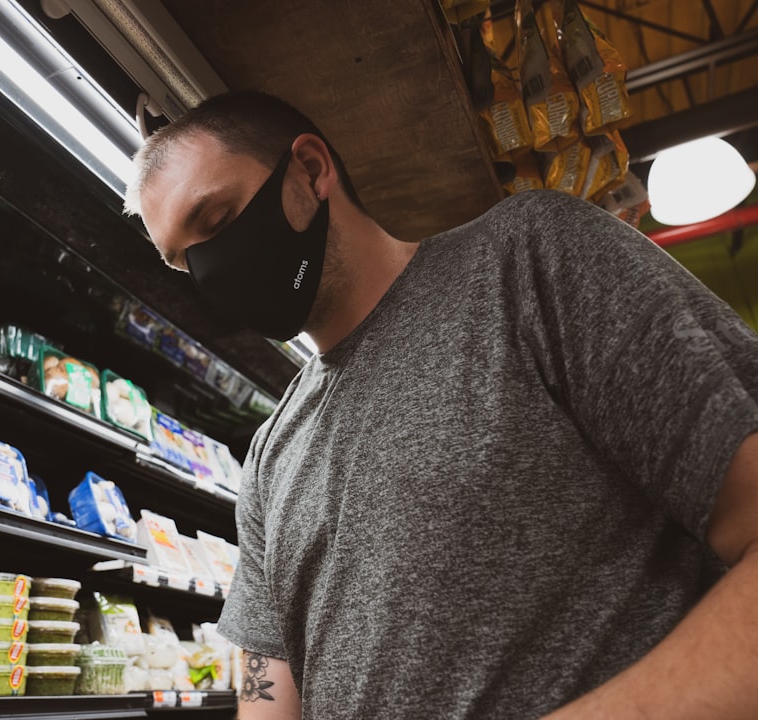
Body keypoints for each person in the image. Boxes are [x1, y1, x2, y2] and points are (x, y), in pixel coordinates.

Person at [123, 91, 758, 720]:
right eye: (184, 263)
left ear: (311, 171)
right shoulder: (270, 457)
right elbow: (268, 693)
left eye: (217, 221)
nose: (210, 272)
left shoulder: (527, 260)